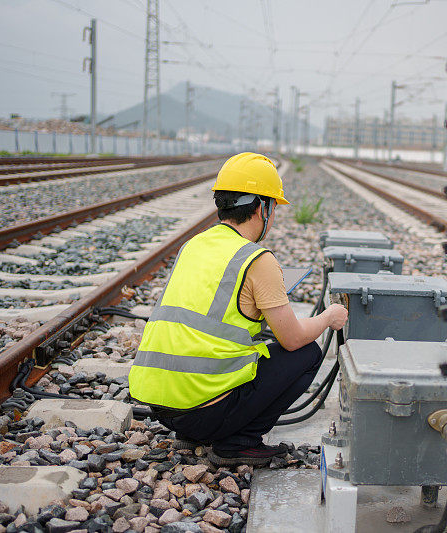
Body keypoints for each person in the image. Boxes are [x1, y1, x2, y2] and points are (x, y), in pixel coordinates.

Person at [129, 152, 348, 465]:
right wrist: (328, 317)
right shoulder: (257, 259)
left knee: (260, 345)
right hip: (203, 413)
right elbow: (293, 339)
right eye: (273, 208)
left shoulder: (194, 245)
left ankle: (201, 431)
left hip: (160, 406)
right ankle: (239, 443)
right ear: (262, 208)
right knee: (306, 353)